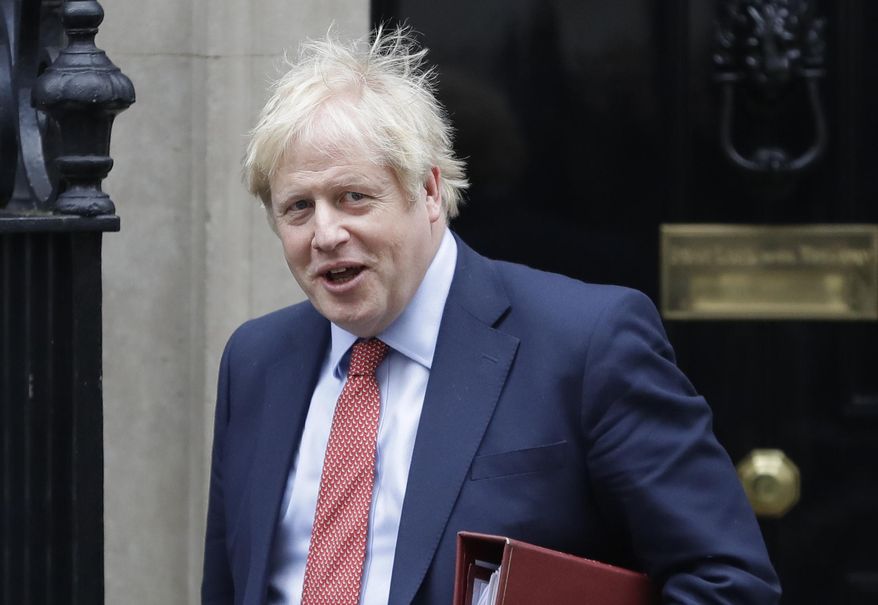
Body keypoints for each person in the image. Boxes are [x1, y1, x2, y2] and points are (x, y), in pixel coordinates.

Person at [201, 27, 781, 605]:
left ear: (428, 191)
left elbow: (728, 583)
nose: (326, 234)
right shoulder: (256, 361)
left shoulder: (587, 344)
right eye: (299, 208)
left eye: (354, 197)